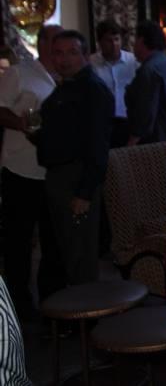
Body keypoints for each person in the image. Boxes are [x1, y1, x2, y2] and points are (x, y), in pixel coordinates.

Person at [37, 30, 114, 284]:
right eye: (58, 53)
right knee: (67, 254)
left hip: (76, 178)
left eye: (71, 52)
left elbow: (98, 146)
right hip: (60, 177)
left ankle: (87, 308)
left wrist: (84, 192)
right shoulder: (67, 86)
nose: (64, 59)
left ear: (85, 55)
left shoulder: (91, 89)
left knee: (80, 256)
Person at [0, 24, 65, 317]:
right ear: (42, 44)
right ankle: (19, 305)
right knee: (19, 240)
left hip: (53, 172)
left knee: (52, 241)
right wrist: (20, 124)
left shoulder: (66, 77)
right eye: (55, 42)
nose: (60, 50)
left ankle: (53, 303)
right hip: (21, 168)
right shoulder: (19, 73)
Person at [125, 21, 166, 145]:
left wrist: (132, 141)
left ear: (141, 41)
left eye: (135, 41)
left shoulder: (149, 70)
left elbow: (145, 112)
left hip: (156, 140)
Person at [89, 19, 138, 148]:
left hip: (128, 121)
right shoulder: (91, 63)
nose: (114, 44)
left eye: (117, 39)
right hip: (103, 122)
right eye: (108, 40)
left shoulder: (133, 61)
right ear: (99, 42)